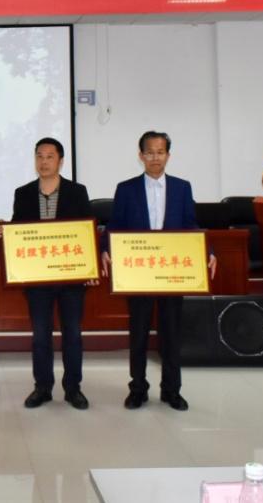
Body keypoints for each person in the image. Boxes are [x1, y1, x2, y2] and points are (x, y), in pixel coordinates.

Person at [101, 131, 217, 412]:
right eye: (150, 152)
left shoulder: (182, 188)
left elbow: (191, 224)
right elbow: (114, 225)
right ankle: (138, 389)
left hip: (171, 273)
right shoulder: (126, 189)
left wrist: (208, 251)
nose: (155, 157)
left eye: (160, 152)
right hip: (138, 274)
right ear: (141, 156)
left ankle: (171, 390)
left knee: (171, 333)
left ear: (168, 155)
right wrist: (105, 248)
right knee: (138, 333)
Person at [0, 137, 92, 410]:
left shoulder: (77, 192)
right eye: (39, 156)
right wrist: (6, 231)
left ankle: (73, 388)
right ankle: (43, 387)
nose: (44, 161)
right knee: (40, 336)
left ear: (61, 161)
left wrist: (89, 267)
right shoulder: (23, 193)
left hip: (71, 278)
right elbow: (19, 230)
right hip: (38, 280)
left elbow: (85, 231)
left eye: (50, 156)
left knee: (72, 335)